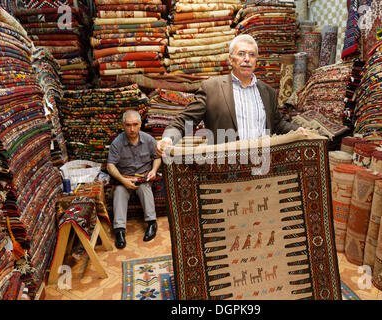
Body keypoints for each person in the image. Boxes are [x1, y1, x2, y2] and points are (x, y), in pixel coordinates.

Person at [156, 34, 304, 156]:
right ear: (230, 59)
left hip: (262, 164)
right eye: (241, 54)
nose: (247, 59)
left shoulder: (268, 92)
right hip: (226, 166)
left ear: (256, 60)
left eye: (251, 55)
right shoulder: (211, 88)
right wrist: (168, 139)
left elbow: (277, 124)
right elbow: (184, 120)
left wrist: (296, 131)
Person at [107, 109, 161, 248]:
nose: (132, 129)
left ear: (140, 124)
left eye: (135, 124)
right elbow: (110, 166)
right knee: (119, 193)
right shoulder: (117, 143)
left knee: (144, 189)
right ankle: (119, 231)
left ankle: (151, 223)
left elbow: (157, 158)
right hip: (124, 178)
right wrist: (123, 180)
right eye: (128, 125)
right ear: (123, 125)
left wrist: (154, 171)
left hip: (143, 177)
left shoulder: (148, 139)